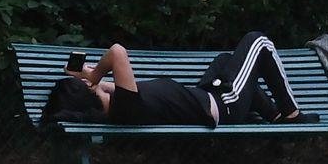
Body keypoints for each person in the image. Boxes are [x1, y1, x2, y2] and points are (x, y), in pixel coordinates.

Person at [44, 36, 312, 128]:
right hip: (224, 104)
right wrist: (94, 74)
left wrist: (91, 79)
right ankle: (291, 114)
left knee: (225, 60)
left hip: (208, 96)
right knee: (258, 42)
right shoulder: (125, 107)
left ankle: (274, 115)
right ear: (88, 92)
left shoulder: (119, 107)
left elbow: (108, 87)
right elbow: (117, 52)